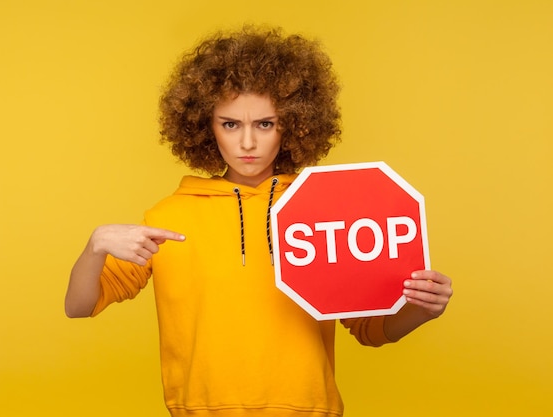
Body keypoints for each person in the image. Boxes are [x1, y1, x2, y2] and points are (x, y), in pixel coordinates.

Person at [65, 26, 453, 417]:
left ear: (295, 123)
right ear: (204, 126)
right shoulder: (168, 216)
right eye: (230, 124)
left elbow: (371, 331)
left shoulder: (325, 209)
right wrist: (95, 244)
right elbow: (79, 306)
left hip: (310, 408)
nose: (247, 143)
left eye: (265, 124)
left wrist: (422, 309)